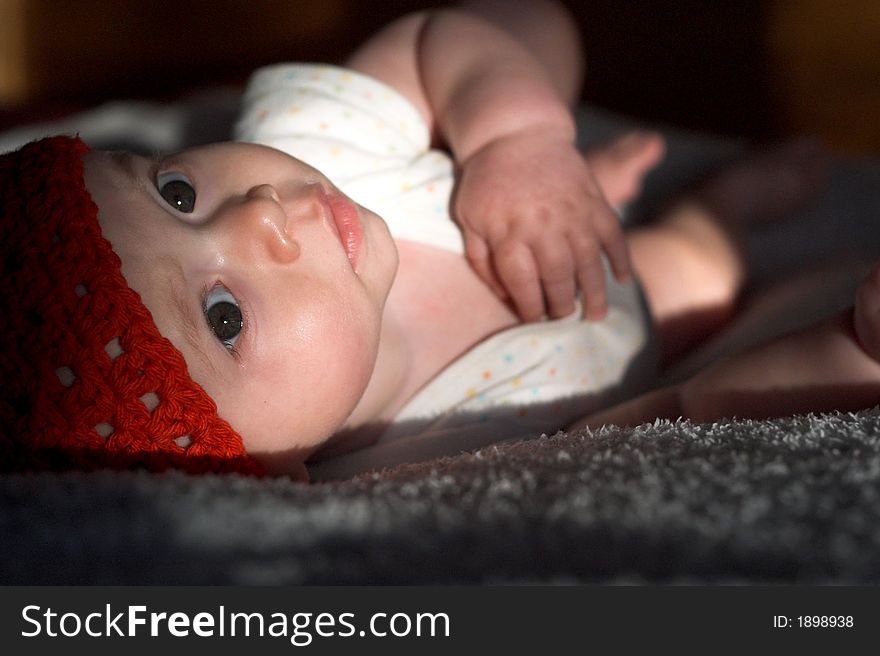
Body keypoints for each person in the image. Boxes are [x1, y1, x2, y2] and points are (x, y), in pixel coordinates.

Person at [1, 0, 876, 482]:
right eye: (222, 317)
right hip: (620, 319)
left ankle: (572, 188)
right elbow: (667, 413)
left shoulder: (316, 139)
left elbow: (503, 26)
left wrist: (515, 141)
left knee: (559, 194)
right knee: (695, 275)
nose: (257, 216)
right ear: (258, 474)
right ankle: (715, 210)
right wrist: (841, 349)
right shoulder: (408, 464)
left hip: (535, 201)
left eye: (177, 192)